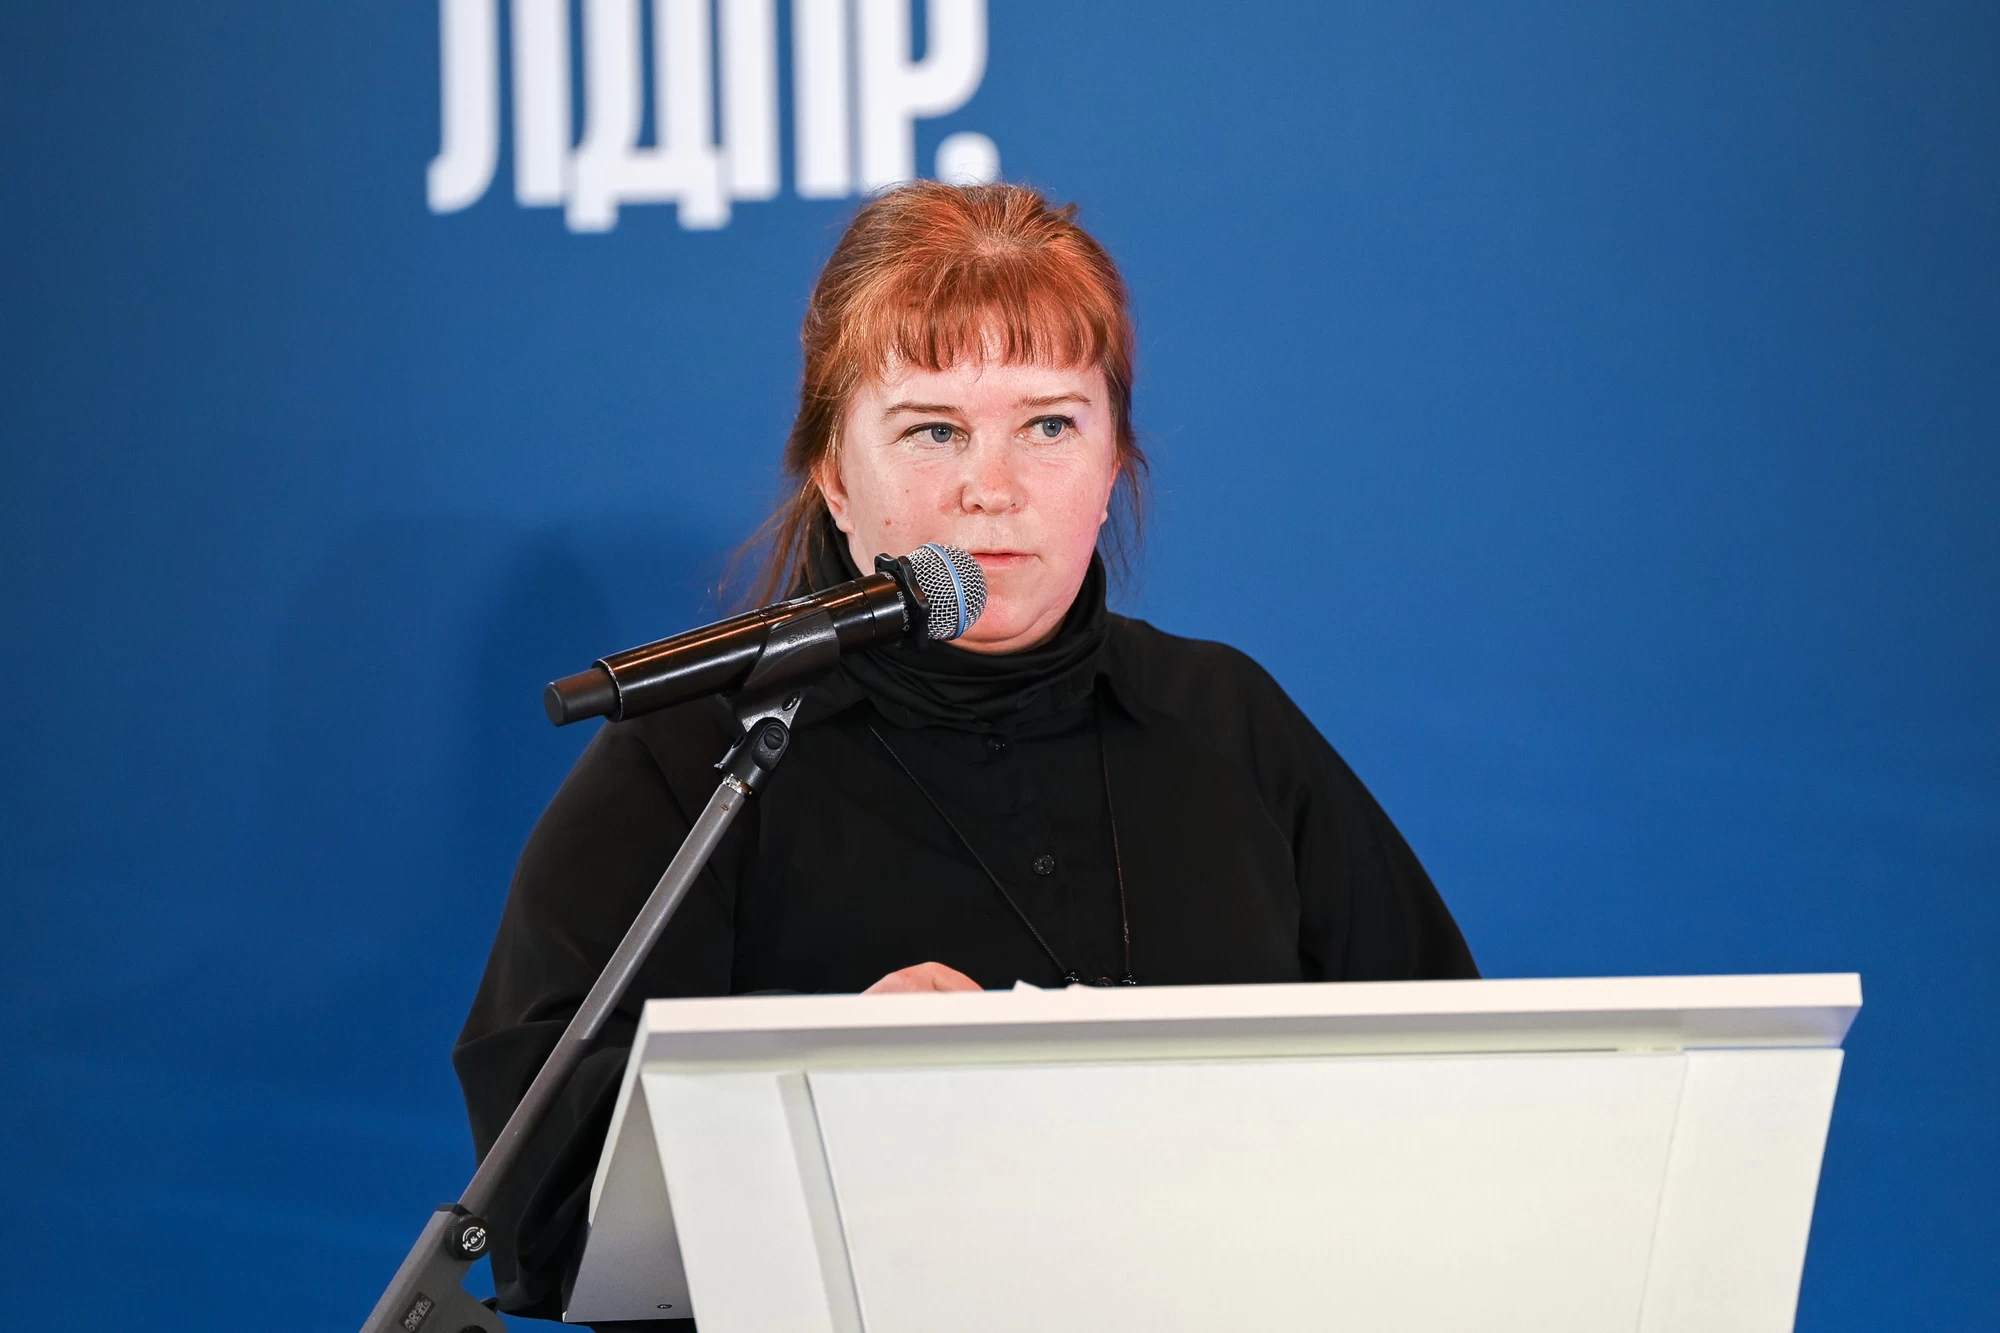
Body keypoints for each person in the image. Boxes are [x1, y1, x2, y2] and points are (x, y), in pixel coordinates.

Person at [454, 181, 1477, 1324]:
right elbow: (536, 1207)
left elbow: (1461, 1099)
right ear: (834, 475)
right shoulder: (697, 754)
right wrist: (814, 1084)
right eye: (932, 430)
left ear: (1112, 467)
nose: (991, 490)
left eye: (1049, 426)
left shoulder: (1226, 722)